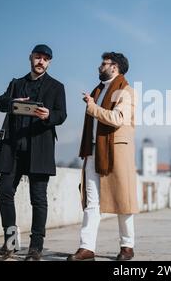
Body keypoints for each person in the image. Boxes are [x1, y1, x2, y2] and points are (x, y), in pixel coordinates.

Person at [0, 44, 67, 261]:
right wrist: (12, 102)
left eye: (45, 59)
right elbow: (0, 103)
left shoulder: (56, 87)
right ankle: (10, 243)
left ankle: (36, 247)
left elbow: (61, 115)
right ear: (31, 58)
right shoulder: (16, 84)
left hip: (40, 149)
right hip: (13, 148)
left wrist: (48, 116)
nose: (41, 61)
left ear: (49, 62)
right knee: (5, 192)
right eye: (38, 57)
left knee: (38, 199)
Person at [67, 52, 139, 261]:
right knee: (91, 201)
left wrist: (92, 107)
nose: (100, 66)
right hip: (93, 150)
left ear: (114, 67)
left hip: (116, 151)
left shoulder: (126, 91)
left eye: (103, 63)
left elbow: (118, 118)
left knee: (123, 201)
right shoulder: (98, 91)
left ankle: (127, 247)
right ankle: (86, 248)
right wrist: (93, 103)